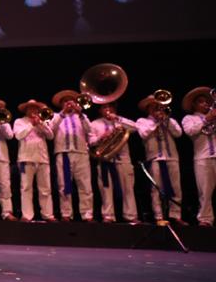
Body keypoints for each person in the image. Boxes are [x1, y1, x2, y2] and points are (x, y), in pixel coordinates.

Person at [136, 95, 184, 224]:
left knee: (176, 187)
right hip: (155, 158)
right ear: (148, 109)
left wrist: (166, 120)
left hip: (171, 157)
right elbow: (144, 134)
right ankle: (159, 216)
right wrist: (156, 123)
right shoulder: (142, 121)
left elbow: (178, 133)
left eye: (159, 106)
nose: (157, 109)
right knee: (156, 188)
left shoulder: (169, 120)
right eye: (154, 106)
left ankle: (176, 215)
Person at [89, 102, 140, 224]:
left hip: (123, 159)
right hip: (105, 159)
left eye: (110, 107)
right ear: (100, 110)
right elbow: (90, 142)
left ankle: (131, 215)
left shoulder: (120, 121)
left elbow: (135, 128)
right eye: (104, 107)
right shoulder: (95, 123)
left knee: (128, 188)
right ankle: (108, 215)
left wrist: (117, 118)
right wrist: (101, 137)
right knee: (106, 189)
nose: (107, 109)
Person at [49, 90, 96, 222]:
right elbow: (51, 131)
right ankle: (66, 213)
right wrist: (63, 113)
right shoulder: (56, 116)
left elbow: (90, 131)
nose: (69, 103)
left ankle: (87, 214)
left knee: (85, 185)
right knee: (64, 185)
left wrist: (80, 113)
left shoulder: (81, 117)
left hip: (81, 153)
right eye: (65, 101)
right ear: (61, 104)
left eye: (71, 101)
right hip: (63, 153)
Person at [13, 100, 55, 222]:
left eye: (35, 108)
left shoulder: (43, 121)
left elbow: (50, 136)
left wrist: (40, 124)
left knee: (45, 189)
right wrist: (31, 124)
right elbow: (18, 136)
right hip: (25, 159)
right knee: (26, 188)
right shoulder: (19, 122)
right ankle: (27, 215)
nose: (33, 111)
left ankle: (48, 214)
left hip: (42, 159)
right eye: (30, 108)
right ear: (26, 110)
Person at [181, 87, 216, 227]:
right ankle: (205, 219)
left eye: (207, 101)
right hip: (203, 157)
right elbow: (190, 131)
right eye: (201, 102)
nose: (206, 104)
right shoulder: (189, 118)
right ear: (194, 105)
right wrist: (207, 119)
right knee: (205, 191)